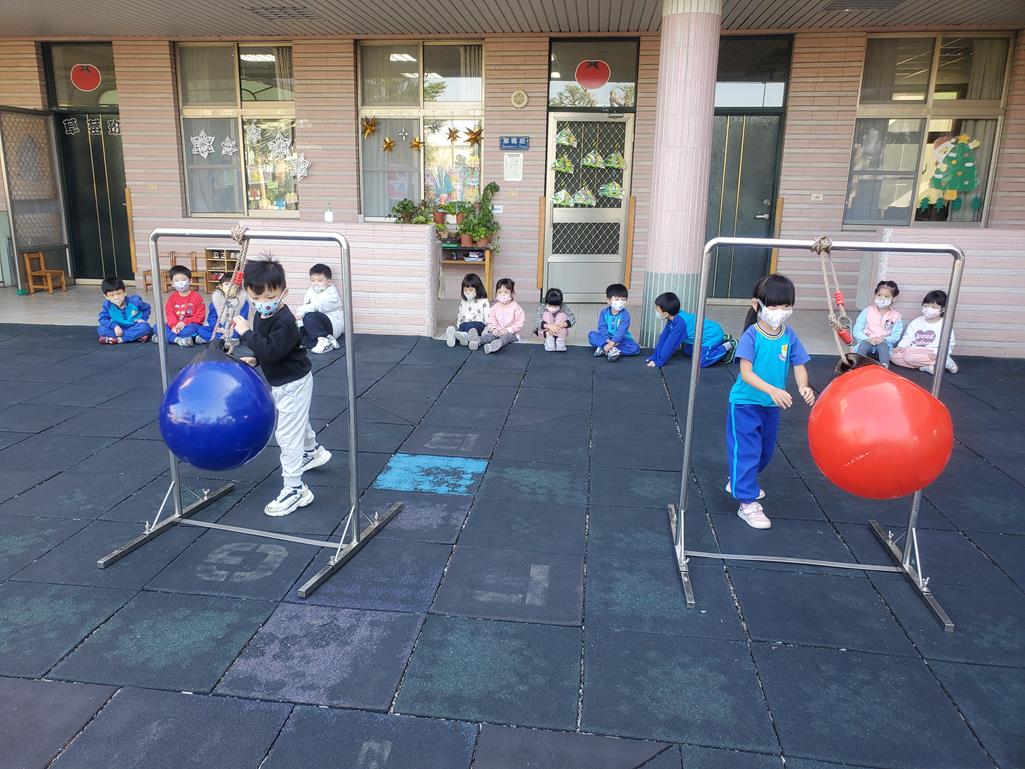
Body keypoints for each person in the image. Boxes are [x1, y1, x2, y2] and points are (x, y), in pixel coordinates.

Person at [232, 257, 332, 517]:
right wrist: (256, 358)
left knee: (287, 435)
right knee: (298, 421)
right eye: (256, 297)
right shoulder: (263, 315)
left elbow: (272, 349)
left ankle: (295, 489)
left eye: (270, 297)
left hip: (293, 382)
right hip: (284, 379)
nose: (263, 302)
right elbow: (269, 348)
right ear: (249, 294)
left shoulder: (284, 320)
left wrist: (246, 334)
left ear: (283, 293)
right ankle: (312, 452)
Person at [727, 274, 815, 530]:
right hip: (745, 404)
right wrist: (772, 389)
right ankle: (747, 503)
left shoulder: (788, 335)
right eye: (774, 306)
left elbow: (799, 364)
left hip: (771, 406)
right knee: (747, 451)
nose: (780, 312)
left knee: (764, 453)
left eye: (786, 306)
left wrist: (803, 386)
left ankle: (739, 480)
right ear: (757, 305)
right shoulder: (751, 336)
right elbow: (746, 373)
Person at [645, 291, 735, 368]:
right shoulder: (672, 317)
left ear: (665, 314)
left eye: (657, 309)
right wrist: (655, 356)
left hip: (712, 335)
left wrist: (659, 362)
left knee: (701, 362)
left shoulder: (680, 324)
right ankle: (719, 343)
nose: (656, 311)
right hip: (703, 335)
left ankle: (728, 345)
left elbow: (670, 344)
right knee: (687, 350)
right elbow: (664, 337)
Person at [891, 289, 958, 374]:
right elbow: (908, 337)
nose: (928, 309)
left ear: (942, 309)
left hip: (932, 352)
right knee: (892, 355)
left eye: (934, 307)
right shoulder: (916, 321)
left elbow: (949, 343)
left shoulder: (944, 325)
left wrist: (938, 353)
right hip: (913, 350)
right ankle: (928, 366)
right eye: (926, 306)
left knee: (910, 358)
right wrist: (901, 346)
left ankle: (945, 361)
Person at [295, 263, 345, 354]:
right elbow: (306, 305)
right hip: (314, 326)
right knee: (296, 333)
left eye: (319, 280)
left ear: (329, 282)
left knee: (309, 316)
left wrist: (300, 311)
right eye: (313, 280)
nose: (315, 283)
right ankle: (328, 341)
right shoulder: (311, 291)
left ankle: (324, 340)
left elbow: (316, 306)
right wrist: (300, 315)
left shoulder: (332, 295)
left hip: (332, 325)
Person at [852, 280, 903, 368]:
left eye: (886, 296)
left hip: (884, 346)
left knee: (883, 347)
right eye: (879, 295)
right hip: (866, 342)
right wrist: (867, 339)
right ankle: (858, 366)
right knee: (863, 346)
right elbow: (857, 329)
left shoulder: (896, 316)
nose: (882, 298)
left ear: (893, 299)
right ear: (875, 295)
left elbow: (896, 335)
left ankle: (884, 367)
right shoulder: (867, 311)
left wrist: (884, 339)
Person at [589, 283, 639, 361]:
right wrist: (607, 339)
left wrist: (613, 342)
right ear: (609, 301)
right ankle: (610, 350)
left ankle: (605, 349)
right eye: (617, 299)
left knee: (635, 348)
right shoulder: (604, 312)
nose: (620, 302)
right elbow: (602, 327)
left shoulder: (625, 315)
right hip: (606, 339)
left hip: (621, 340)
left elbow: (621, 331)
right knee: (592, 335)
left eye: (623, 300)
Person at [196, 273, 250, 344]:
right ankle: (224, 340)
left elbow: (242, 318)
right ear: (221, 286)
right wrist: (216, 327)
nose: (230, 287)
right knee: (201, 330)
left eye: (233, 285)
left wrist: (227, 328)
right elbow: (212, 316)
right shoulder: (216, 299)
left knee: (237, 333)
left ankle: (214, 339)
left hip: (233, 327)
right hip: (219, 327)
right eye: (227, 284)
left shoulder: (242, 300)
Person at [97, 277, 154, 344]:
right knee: (101, 329)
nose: (116, 297)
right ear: (106, 297)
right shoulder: (107, 305)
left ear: (125, 292)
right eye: (112, 295)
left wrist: (143, 318)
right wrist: (115, 326)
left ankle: (119, 339)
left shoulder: (135, 301)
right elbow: (102, 319)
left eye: (119, 293)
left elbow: (147, 308)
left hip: (134, 325)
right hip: (118, 327)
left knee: (145, 327)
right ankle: (134, 337)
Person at [164, 265, 206, 347]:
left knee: (193, 329)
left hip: (190, 326)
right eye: (176, 281)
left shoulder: (197, 297)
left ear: (190, 281)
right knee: (158, 326)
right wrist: (173, 326)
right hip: (175, 326)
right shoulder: (172, 298)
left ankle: (168, 338)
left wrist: (184, 323)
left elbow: (200, 317)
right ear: (172, 283)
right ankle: (178, 340)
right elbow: (170, 314)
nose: (180, 283)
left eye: (183, 280)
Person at [445, 273, 490, 351]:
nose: (468, 292)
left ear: (478, 289)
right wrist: (458, 324)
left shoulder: (483, 300)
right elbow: (460, 313)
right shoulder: (464, 301)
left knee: (471, 327)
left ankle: (464, 336)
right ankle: (454, 338)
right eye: (465, 290)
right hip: (465, 323)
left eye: (471, 290)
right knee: (461, 328)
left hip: (478, 323)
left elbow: (488, 315)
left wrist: (487, 329)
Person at [481, 277, 525, 354]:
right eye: (499, 292)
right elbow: (491, 319)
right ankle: (477, 341)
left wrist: (507, 330)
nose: (502, 295)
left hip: (512, 333)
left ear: (511, 293)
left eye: (506, 292)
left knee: (506, 337)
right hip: (497, 331)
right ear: (496, 293)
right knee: (489, 336)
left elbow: (520, 322)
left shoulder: (516, 307)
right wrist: (494, 329)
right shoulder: (495, 307)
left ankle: (493, 346)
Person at [532, 288, 576, 352]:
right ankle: (549, 340)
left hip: (559, 330)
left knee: (562, 315)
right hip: (546, 331)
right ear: (546, 302)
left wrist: (561, 325)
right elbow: (537, 320)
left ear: (560, 304)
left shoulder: (563, 307)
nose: (552, 308)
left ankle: (560, 342)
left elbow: (572, 318)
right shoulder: (542, 307)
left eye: (555, 306)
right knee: (547, 314)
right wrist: (549, 326)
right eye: (550, 305)